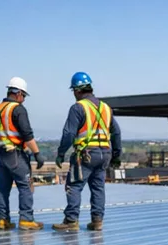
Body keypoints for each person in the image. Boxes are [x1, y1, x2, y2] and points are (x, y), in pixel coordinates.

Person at [53, 72, 123, 232]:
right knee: (98, 187)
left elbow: (69, 133)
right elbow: (117, 132)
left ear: (77, 90)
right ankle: (97, 221)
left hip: (86, 155)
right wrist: (117, 155)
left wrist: (61, 153)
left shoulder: (78, 107)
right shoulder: (106, 108)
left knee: (74, 185)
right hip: (105, 154)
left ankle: (71, 220)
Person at [0, 77, 46, 231]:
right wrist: (37, 153)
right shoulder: (18, 109)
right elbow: (27, 134)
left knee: (3, 188)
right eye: (23, 96)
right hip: (15, 154)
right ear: (18, 93)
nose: (23, 99)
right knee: (24, 186)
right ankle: (26, 219)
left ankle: (3, 220)